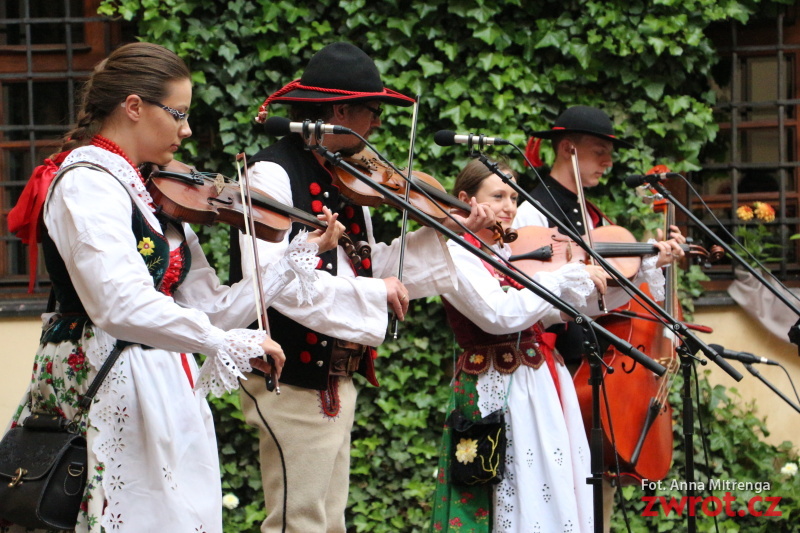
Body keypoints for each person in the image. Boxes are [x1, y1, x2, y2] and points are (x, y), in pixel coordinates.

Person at [1, 42, 343, 533]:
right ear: (134, 106)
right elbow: (118, 304)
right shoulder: (86, 181)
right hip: (108, 381)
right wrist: (220, 343)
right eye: (178, 114)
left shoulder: (154, 194)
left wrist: (292, 261)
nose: (186, 130)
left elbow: (211, 308)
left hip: (165, 388)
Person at [237, 41, 493, 533]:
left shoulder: (350, 176)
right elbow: (270, 284)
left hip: (337, 375)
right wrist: (374, 294)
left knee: (328, 522)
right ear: (338, 110)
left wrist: (447, 228)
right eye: (371, 111)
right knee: (298, 521)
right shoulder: (272, 172)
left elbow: (368, 265)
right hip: (292, 377)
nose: (376, 124)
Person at [512, 105, 686, 531]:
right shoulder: (531, 212)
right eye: (599, 150)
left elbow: (609, 299)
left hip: (593, 365)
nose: (608, 161)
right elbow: (527, 289)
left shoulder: (592, 216)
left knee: (594, 497)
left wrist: (651, 261)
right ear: (568, 148)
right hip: (551, 365)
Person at [430, 158, 612, 533]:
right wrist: (563, 277)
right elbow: (500, 315)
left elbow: (550, 312)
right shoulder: (457, 253)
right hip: (497, 386)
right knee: (512, 486)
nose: (510, 207)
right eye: (498, 196)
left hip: (539, 382)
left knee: (551, 481)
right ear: (465, 199)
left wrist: (633, 269)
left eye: (513, 197)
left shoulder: (508, 254)